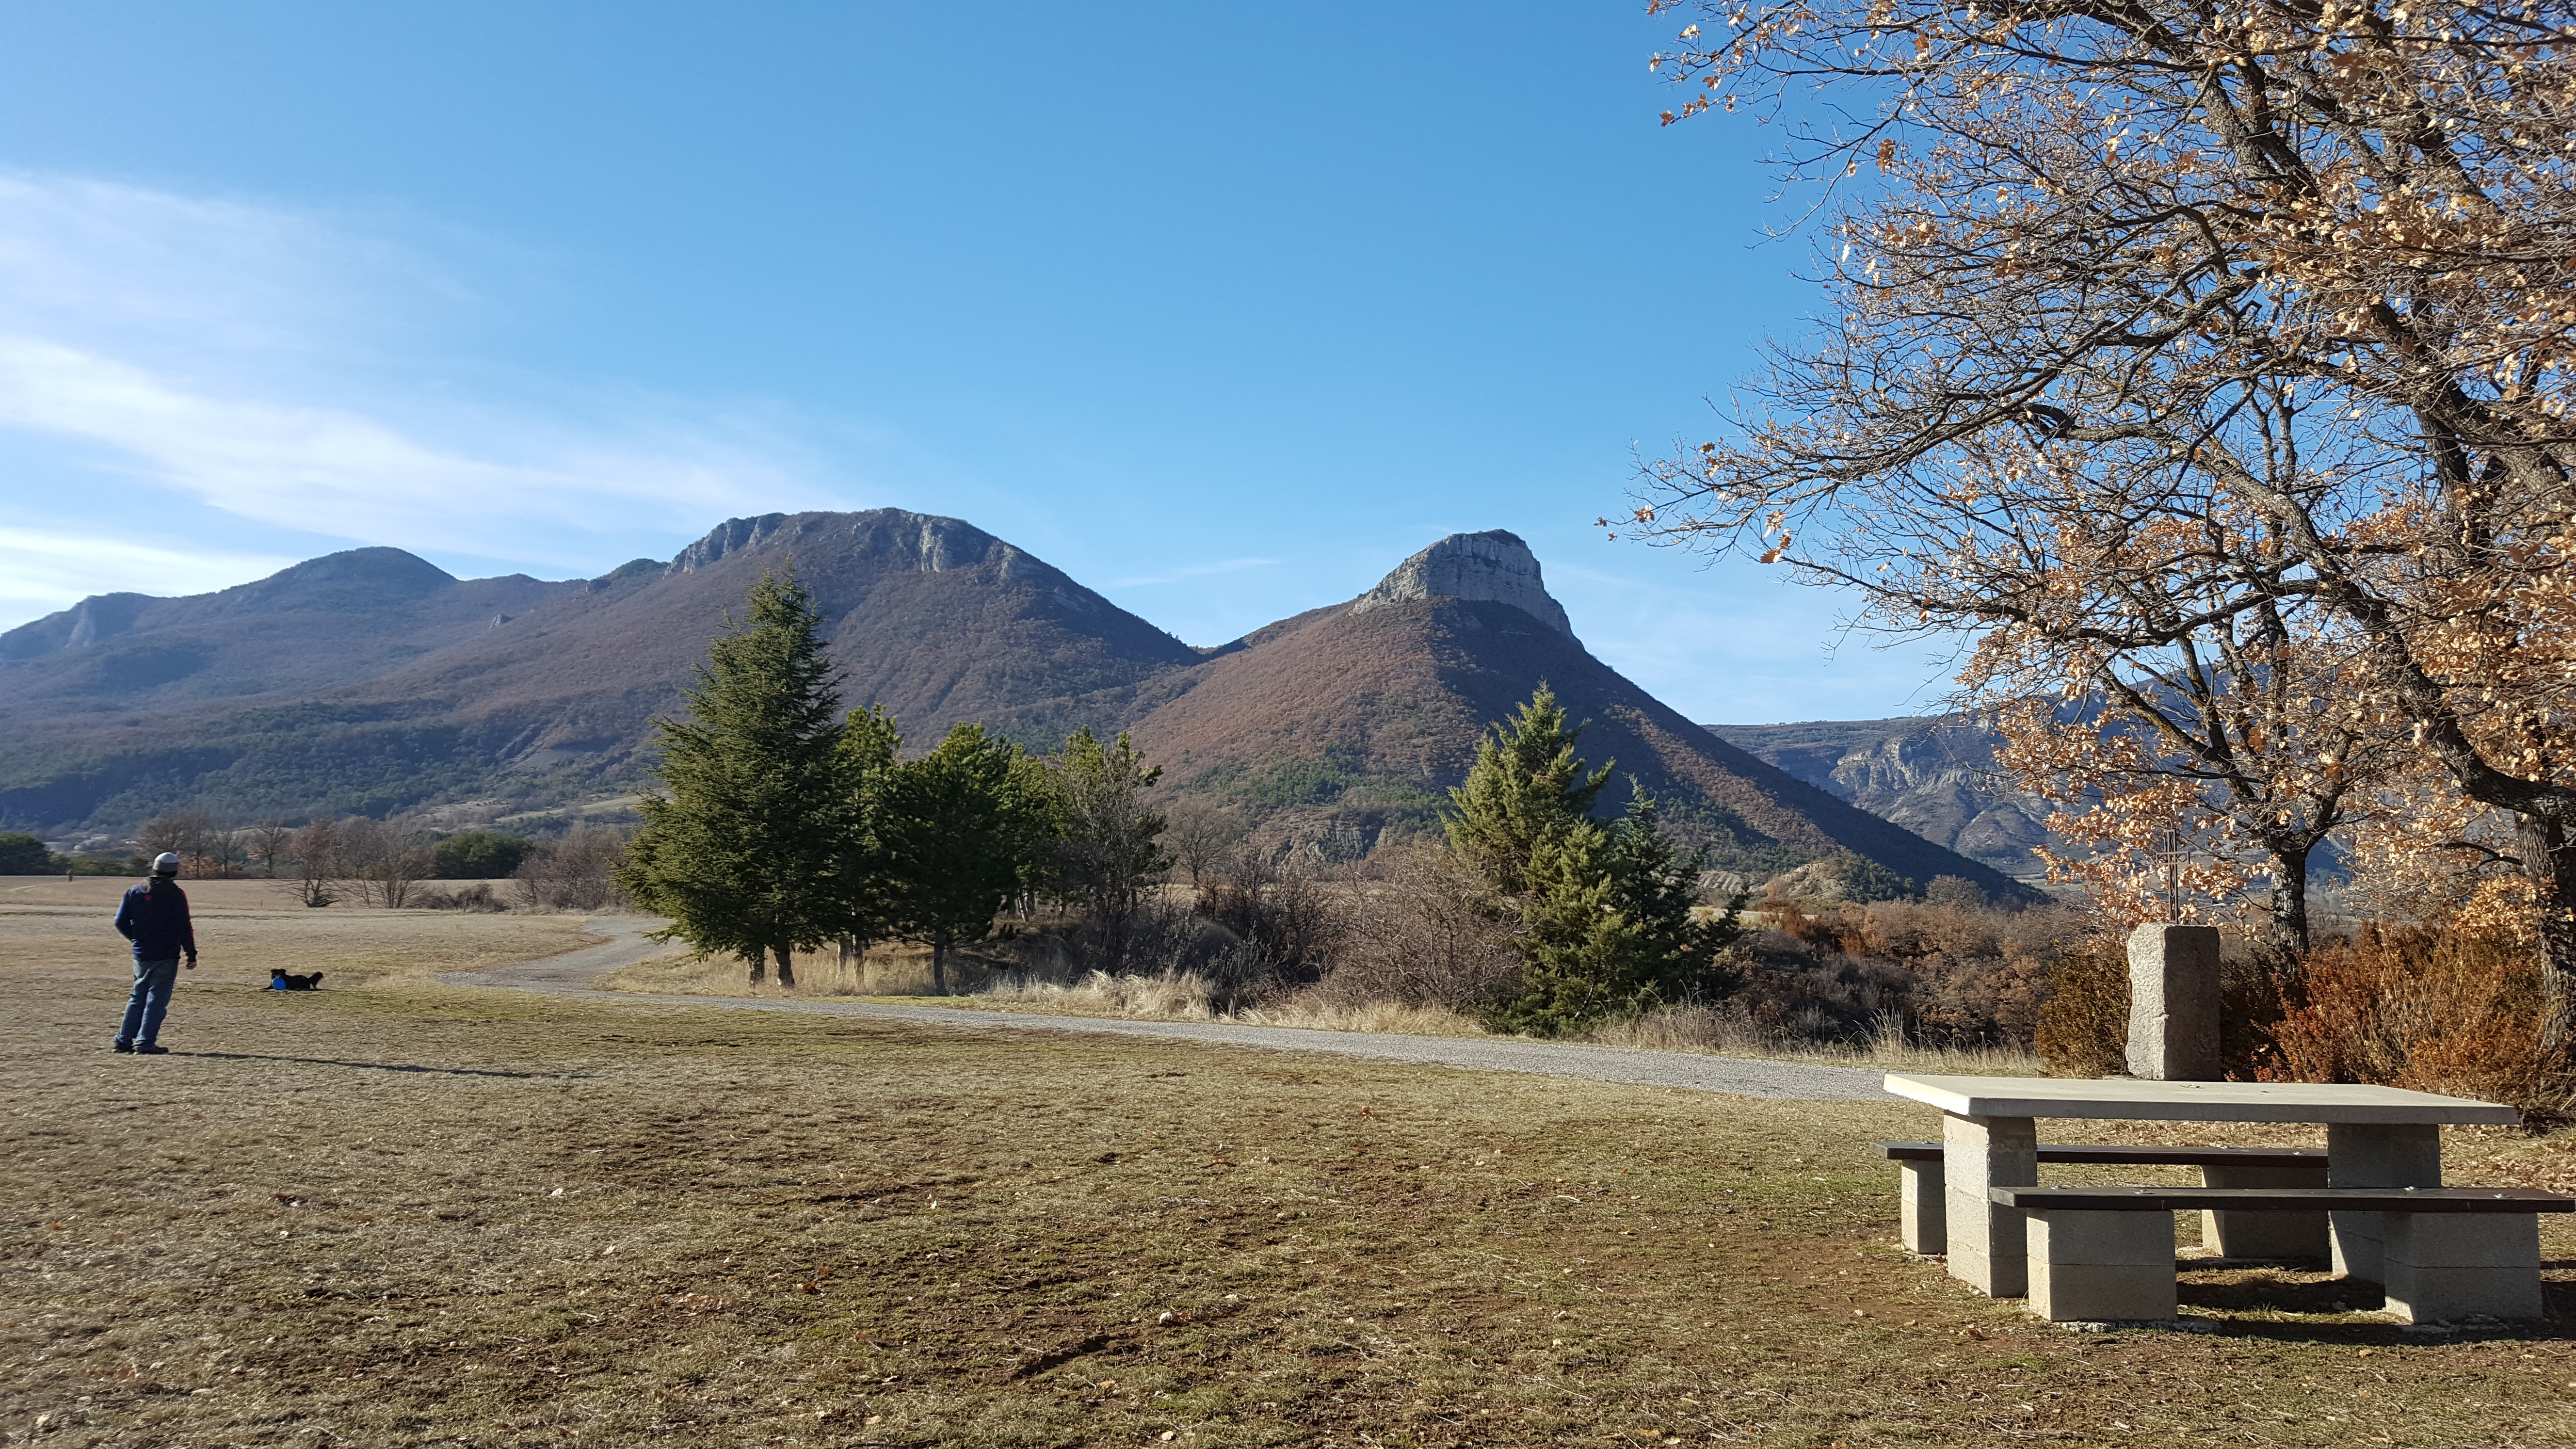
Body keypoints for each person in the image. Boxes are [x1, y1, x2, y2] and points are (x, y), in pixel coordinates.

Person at [112, 852, 197, 1055]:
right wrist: (191, 954)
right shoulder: (176, 894)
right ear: (174, 871)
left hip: (141, 954)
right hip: (167, 954)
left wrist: (136, 939)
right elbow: (184, 926)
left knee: (137, 996)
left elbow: (119, 922)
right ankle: (145, 1042)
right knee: (157, 1000)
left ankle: (123, 1041)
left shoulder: (134, 892)